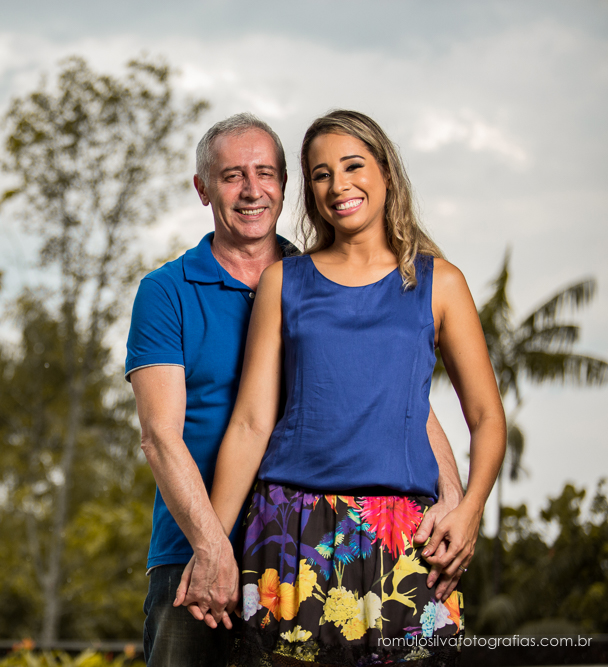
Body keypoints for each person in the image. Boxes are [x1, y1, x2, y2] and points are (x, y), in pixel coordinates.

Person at [125, 112, 467, 667]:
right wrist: (211, 548)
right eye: (232, 175)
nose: (252, 189)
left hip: (300, 549)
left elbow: (399, 396)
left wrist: (452, 495)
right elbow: (160, 437)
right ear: (203, 189)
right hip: (193, 553)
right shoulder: (167, 292)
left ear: (286, 185)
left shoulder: (322, 279)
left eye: (266, 173)